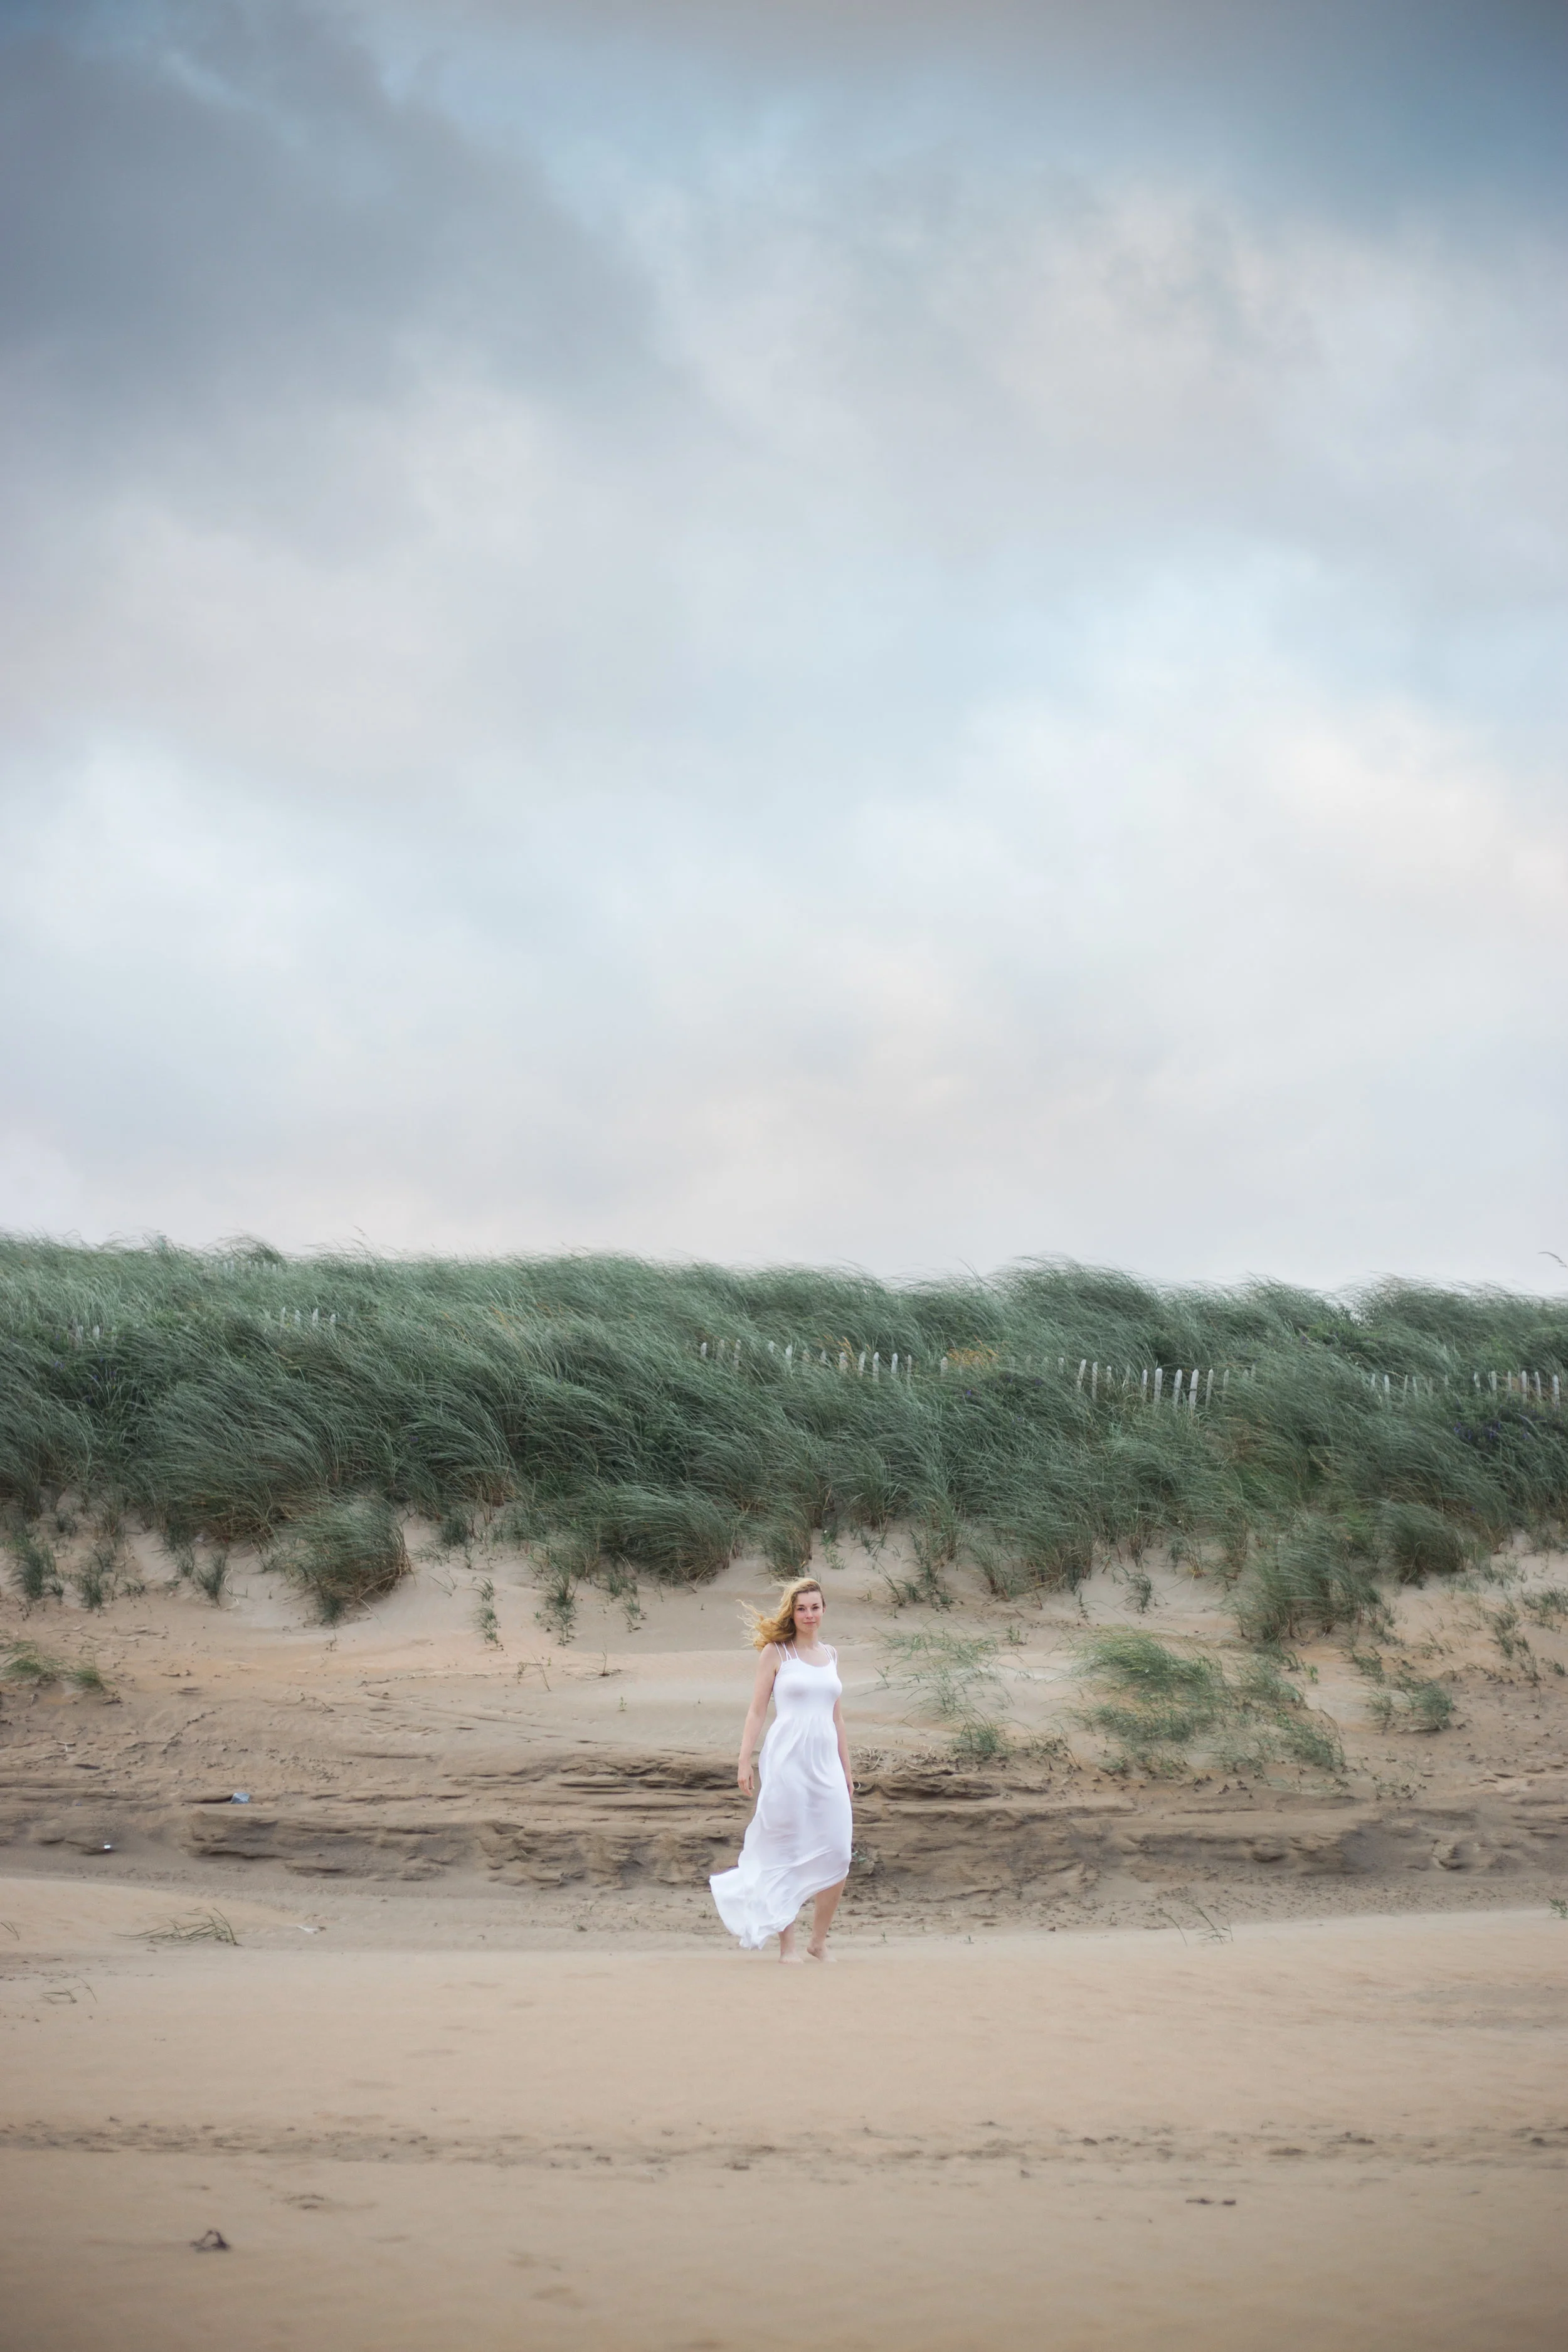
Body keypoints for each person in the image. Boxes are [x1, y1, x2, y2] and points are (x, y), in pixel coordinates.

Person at [710, 1576, 854, 1962]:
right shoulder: (776, 1653)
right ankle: (788, 1945)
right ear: (793, 1612)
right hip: (787, 1759)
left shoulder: (833, 1655)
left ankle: (818, 1941)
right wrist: (744, 1757)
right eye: (802, 1608)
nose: (809, 1614)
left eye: (815, 1607)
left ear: (824, 1610)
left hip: (825, 1763)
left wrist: (847, 1768)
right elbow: (757, 1710)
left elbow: (837, 1719)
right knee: (785, 1847)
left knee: (839, 1850)